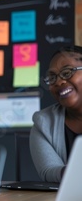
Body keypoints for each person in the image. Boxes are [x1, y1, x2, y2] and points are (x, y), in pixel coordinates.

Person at [30, 45, 82, 182]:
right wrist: (75, 171)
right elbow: (48, 171)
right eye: (52, 77)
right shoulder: (43, 122)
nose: (59, 81)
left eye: (67, 72)